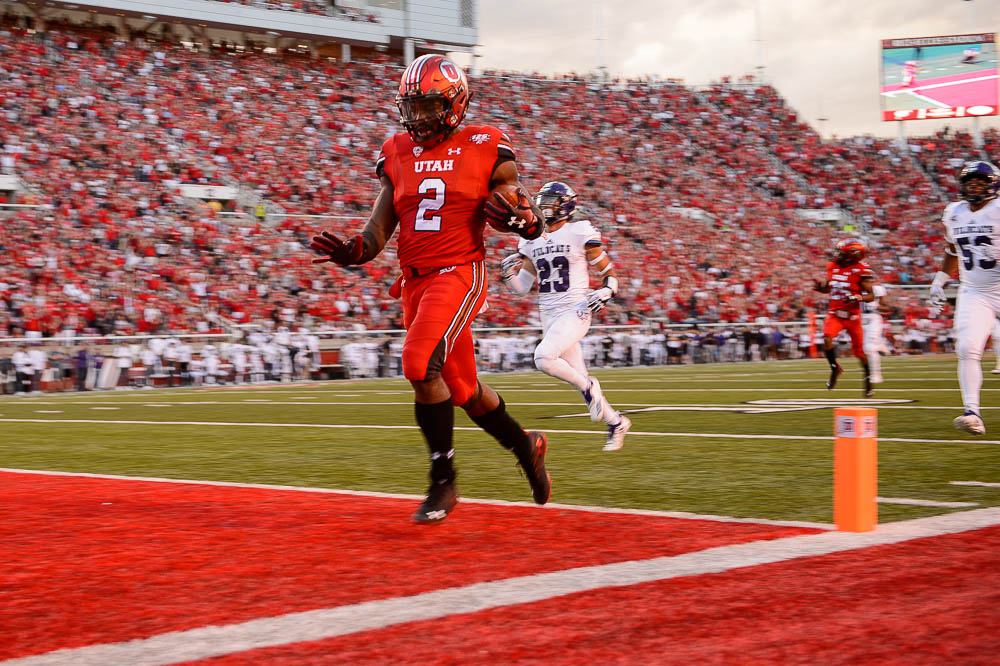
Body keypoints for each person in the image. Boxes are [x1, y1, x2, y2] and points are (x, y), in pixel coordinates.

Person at [309, 55, 550, 523]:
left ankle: (443, 481)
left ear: (455, 102)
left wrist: (527, 221)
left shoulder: (486, 142)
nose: (418, 117)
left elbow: (518, 203)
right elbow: (378, 232)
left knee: (419, 364)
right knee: (462, 389)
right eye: (412, 107)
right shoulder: (397, 150)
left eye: (428, 106)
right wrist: (353, 251)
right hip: (415, 282)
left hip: (459, 271)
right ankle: (527, 446)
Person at [499, 181, 631, 451]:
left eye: (550, 202)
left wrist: (607, 291)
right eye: (542, 201)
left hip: (575, 308)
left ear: (566, 205)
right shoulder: (530, 237)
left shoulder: (579, 230)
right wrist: (507, 276)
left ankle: (590, 387)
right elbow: (522, 288)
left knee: (543, 358)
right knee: (577, 374)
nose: (544, 207)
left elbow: (610, 273)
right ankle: (617, 422)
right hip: (547, 312)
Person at [928, 161, 1000, 435]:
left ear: (992, 186)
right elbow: (952, 250)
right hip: (975, 290)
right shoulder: (953, 213)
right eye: (970, 183)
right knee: (967, 347)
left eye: (980, 183)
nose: (974, 188)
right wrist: (941, 279)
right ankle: (972, 412)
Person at [812, 238, 877, 397]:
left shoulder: (862, 270)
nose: (837, 255)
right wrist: (821, 288)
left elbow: (871, 296)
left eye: (841, 253)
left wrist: (857, 298)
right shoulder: (832, 266)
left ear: (852, 256)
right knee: (826, 338)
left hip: (852, 316)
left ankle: (868, 378)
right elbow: (829, 288)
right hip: (835, 314)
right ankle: (835, 368)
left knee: (859, 353)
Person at [862, 284, 891, 384]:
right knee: (863, 349)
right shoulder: (852, 288)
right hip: (858, 320)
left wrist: (876, 306)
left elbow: (887, 308)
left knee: (869, 349)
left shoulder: (877, 289)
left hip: (873, 319)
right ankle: (880, 344)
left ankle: (876, 375)